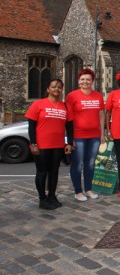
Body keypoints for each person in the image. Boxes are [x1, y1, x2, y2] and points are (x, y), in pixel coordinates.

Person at [26, 78, 73, 209]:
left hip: (58, 145)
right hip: (42, 145)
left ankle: (52, 195)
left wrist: (69, 143)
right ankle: (42, 198)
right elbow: (31, 127)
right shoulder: (38, 104)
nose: (56, 89)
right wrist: (33, 144)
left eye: (59, 87)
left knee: (54, 172)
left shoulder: (65, 106)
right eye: (53, 87)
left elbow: (69, 127)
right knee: (42, 172)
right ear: (48, 89)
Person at [66, 68, 105, 202]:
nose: (85, 82)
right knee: (77, 164)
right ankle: (78, 191)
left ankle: (88, 189)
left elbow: (101, 114)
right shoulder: (72, 96)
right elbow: (69, 119)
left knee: (90, 164)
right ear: (79, 81)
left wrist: (102, 134)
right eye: (82, 79)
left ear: (92, 81)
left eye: (88, 79)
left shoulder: (98, 96)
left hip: (94, 135)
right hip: (79, 135)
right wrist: (71, 139)